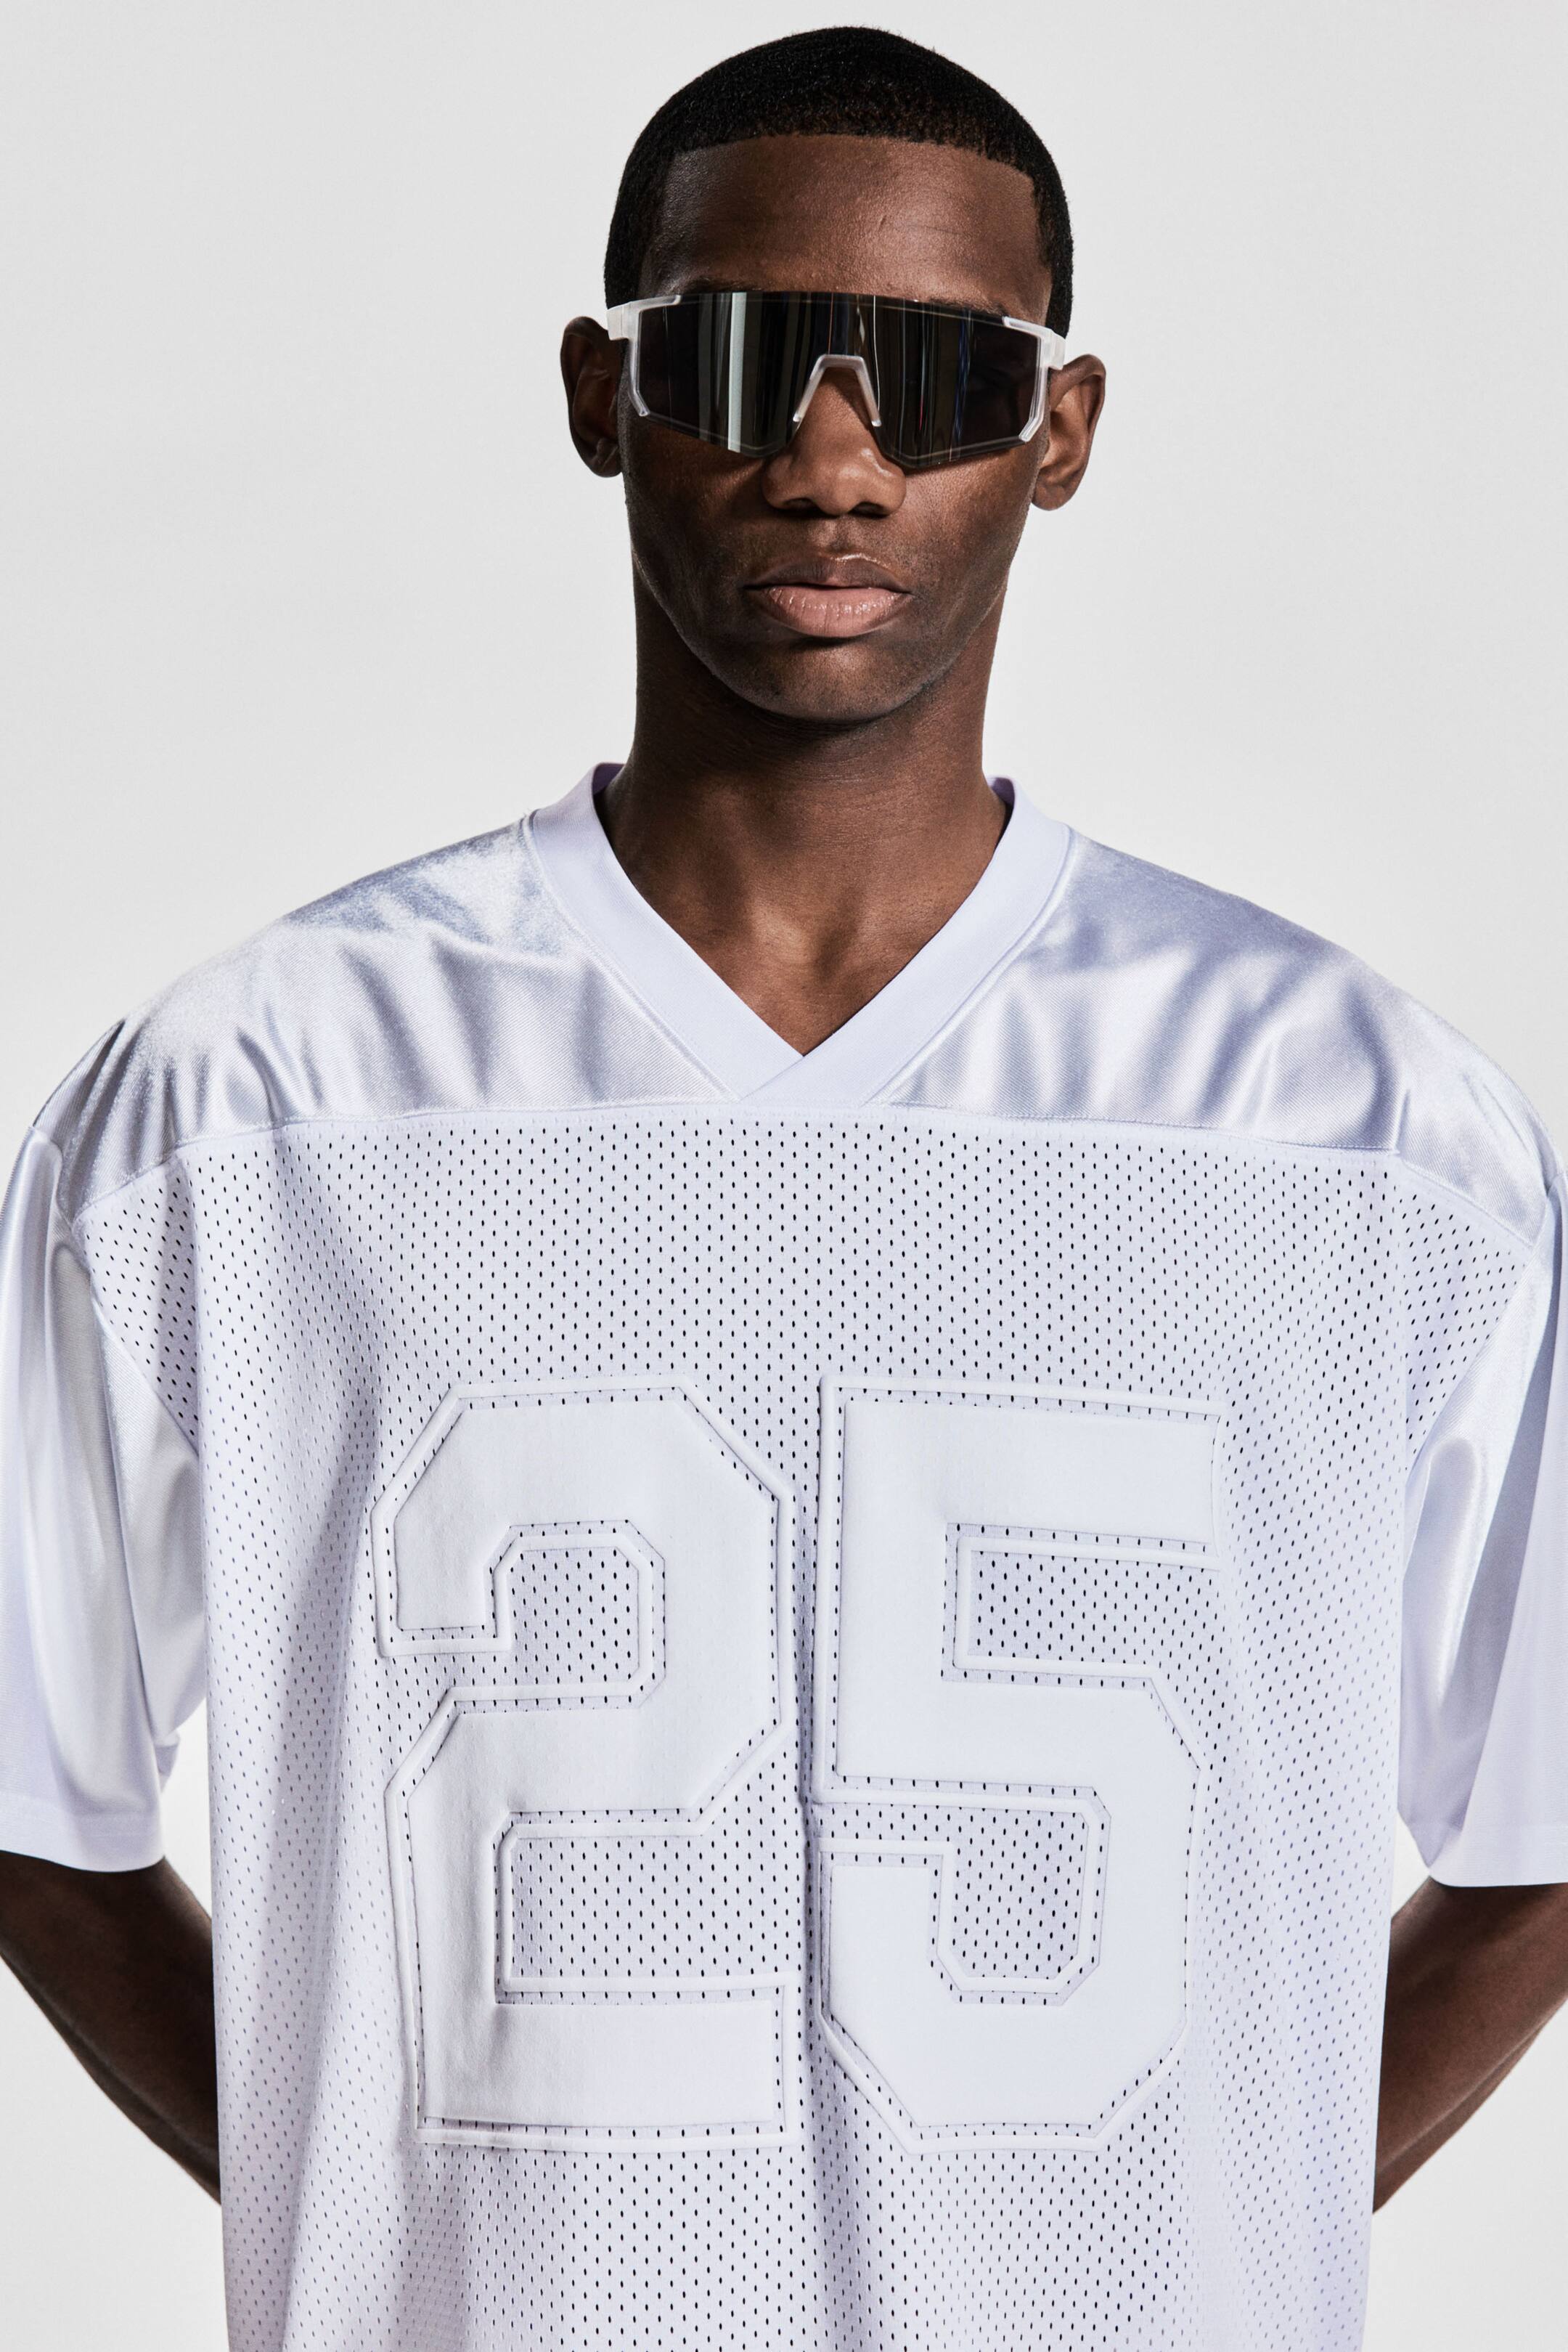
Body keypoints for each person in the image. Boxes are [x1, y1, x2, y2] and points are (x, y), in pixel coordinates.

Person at [1, 24, 1565, 2351]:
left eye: (938, 376)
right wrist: (383, 2212)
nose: (832, 460)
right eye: (740, 358)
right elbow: (35, 1800)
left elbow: (1540, 1838)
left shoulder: (1356, 1129)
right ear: (602, 391)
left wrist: (1208, 2219)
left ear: (1061, 430)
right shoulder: (252, 1106)